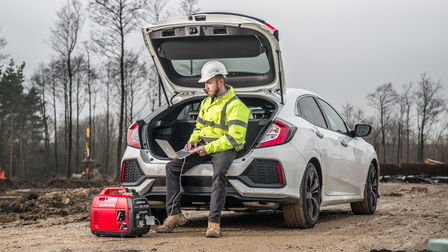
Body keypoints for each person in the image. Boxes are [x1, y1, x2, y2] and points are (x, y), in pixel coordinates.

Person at [155, 60, 250, 238]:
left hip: (225, 148)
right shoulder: (206, 103)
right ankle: (174, 215)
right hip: (203, 146)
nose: (206, 87)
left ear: (220, 82)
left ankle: (214, 222)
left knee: (219, 173)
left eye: (208, 83)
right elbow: (198, 128)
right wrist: (192, 142)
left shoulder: (238, 107)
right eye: (205, 83)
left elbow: (234, 138)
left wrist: (208, 148)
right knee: (172, 167)